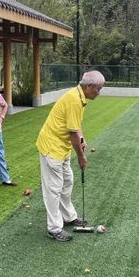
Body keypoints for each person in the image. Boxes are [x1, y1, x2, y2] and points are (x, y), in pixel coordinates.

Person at [36, 70, 105, 242]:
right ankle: (54, 228)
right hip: (52, 148)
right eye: (98, 89)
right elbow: (73, 133)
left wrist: (82, 139)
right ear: (89, 86)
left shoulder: (79, 97)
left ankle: (68, 217)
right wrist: (81, 156)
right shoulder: (74, 99)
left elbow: (76, 127)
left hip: (62, 148)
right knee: (54, 188)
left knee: (67, 181)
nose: (99, 92)